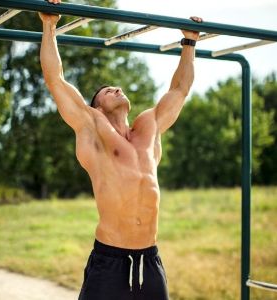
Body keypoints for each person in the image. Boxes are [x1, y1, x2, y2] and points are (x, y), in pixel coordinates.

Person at [39, 1, 202, 299]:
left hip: (150, 260)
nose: (115, 88)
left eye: (117, 87)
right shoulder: (93, 130)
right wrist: (50, 26)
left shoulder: (149, 127)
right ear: (96, 105)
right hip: (109, 262)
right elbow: (55, 80)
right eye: (106, 90)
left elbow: (179, 90)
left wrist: (189, 42)